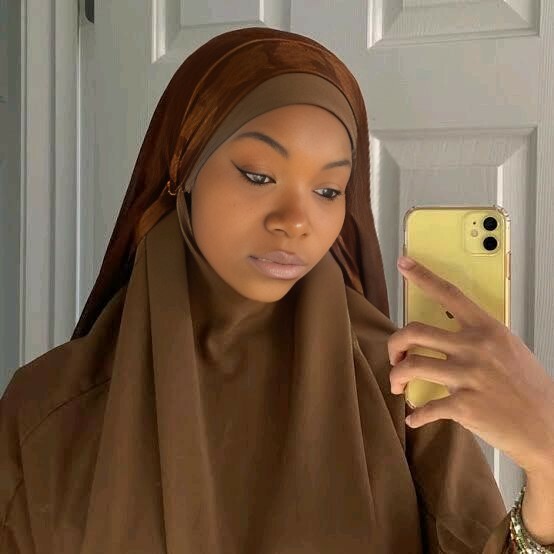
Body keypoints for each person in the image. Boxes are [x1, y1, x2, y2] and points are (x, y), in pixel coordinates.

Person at [1, 26, 552, 553]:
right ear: (184, 168)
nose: (296, 220)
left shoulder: (400, 383)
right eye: (259, 176)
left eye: (328, 190)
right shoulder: (45, 411)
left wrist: (548, 461)